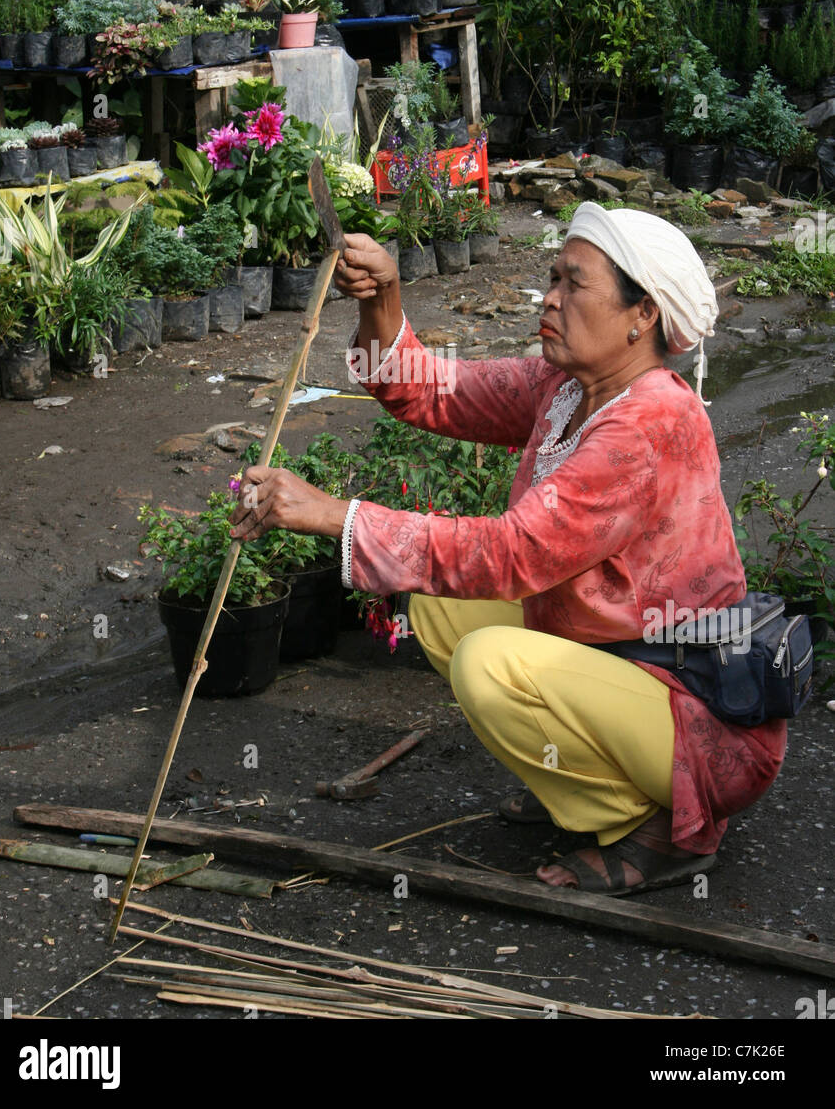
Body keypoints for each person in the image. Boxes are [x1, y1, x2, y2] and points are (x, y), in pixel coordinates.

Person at [231, 202, 787, 895]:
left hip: (700, 712)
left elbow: (512, 554)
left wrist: (331, 513)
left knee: (490, 662)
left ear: (642, 316)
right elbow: (428, 391)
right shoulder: (565, 388)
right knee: (436, 608)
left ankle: (656, 826)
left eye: (572, 284)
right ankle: (578, 778)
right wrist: (385, 297)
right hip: (624, 658)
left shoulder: (650, 423)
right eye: (552, 278)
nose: (547, 298)